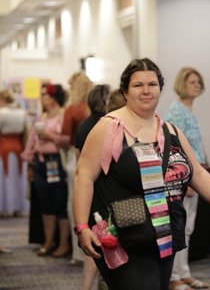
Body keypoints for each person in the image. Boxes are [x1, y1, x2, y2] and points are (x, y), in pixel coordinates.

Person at [73, 58, 210, 290]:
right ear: (125, 91)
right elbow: (83, 177)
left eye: (152, 84)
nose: (146, 91)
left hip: (164, 234)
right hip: (124, 236)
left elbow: (198, 174)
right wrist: (82, 227)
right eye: (138, 85)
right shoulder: (108, 127)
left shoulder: (170, 131)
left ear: (160, 89)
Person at [164, 67, 209, 290]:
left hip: (196, 173)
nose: (197, 85)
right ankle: (174, 277)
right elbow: (173, 147)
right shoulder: (176, 110)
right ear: (182, 84)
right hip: (184, 177)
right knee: (179, 228)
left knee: (188, 229)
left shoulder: (189, 110)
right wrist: (185, 179)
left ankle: (184, 272)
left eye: (199, 82)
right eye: (192, 82)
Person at [22, 84, 71, 257]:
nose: (41, 98)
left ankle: (64, 243)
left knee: (60, 203)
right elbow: (31, 142)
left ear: (52, 98)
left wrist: (51, 137)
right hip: (40, 162)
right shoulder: (41, 117)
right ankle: (48, 241)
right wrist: (29, 163)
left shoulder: (64, 115)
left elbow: (68, 140)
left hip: (56, 162)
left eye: (44, 95)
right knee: (45, 203)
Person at [74, 84, 111, 290]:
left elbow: (78, 162)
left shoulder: (83, 124)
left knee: (93, 238)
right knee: (101, 240)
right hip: (102, 190)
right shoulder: (107, 125)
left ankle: (87, 286)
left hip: (85, 189)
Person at [60, 70, 93, 265]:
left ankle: (78, 253)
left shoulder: (72, 109)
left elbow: (65, 139)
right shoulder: (97, 108)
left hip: (76, 158)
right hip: (97, 160)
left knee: (74, 205)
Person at [0, 89, 29, 217]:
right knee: (19, 178)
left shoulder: (1, 113)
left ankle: (7, 207)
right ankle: (20, 207)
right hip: (19, 147)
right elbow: (26, 131)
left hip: (4, 148)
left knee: (6, 179)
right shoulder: (22, 113)